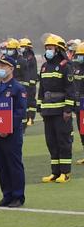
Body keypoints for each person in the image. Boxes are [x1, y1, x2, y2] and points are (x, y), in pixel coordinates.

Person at [0, 55, 27, 208]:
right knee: (0, 165)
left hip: (11, 133)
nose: (0, 69)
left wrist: (8, 127)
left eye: (3, 66)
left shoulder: (18, 88)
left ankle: (18, 196)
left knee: (13, 164)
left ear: (11, 68)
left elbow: (20, 111)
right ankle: (7, 195)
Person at [39, 34, 75, 183]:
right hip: (48, 111)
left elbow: (70, 89)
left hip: (61, 111)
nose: (48, 50)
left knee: (63, 141)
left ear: (58, 49)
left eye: (50, 48)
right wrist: (40, 106)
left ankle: (65, 172)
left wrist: (67, 109)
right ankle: (55, 172)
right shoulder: (44, 66)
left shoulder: (65, 66)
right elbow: (41, 88)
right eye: (46, 48)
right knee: (51, 142)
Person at [19, 38, 38, 127]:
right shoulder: (23, 57)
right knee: (25, 102)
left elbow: (32, 72)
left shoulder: (30, 57)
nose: (21, 48)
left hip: (31, 84)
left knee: (31, 102)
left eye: (22, 46)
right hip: (25, 83)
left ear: (27, 47)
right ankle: (26, 118)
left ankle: (31, 118)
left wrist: (31, 83)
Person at [73, 42, 84, 165]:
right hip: (78, 104)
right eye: (79, 55)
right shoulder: (76, 67)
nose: (80, 57)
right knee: (82, 130)